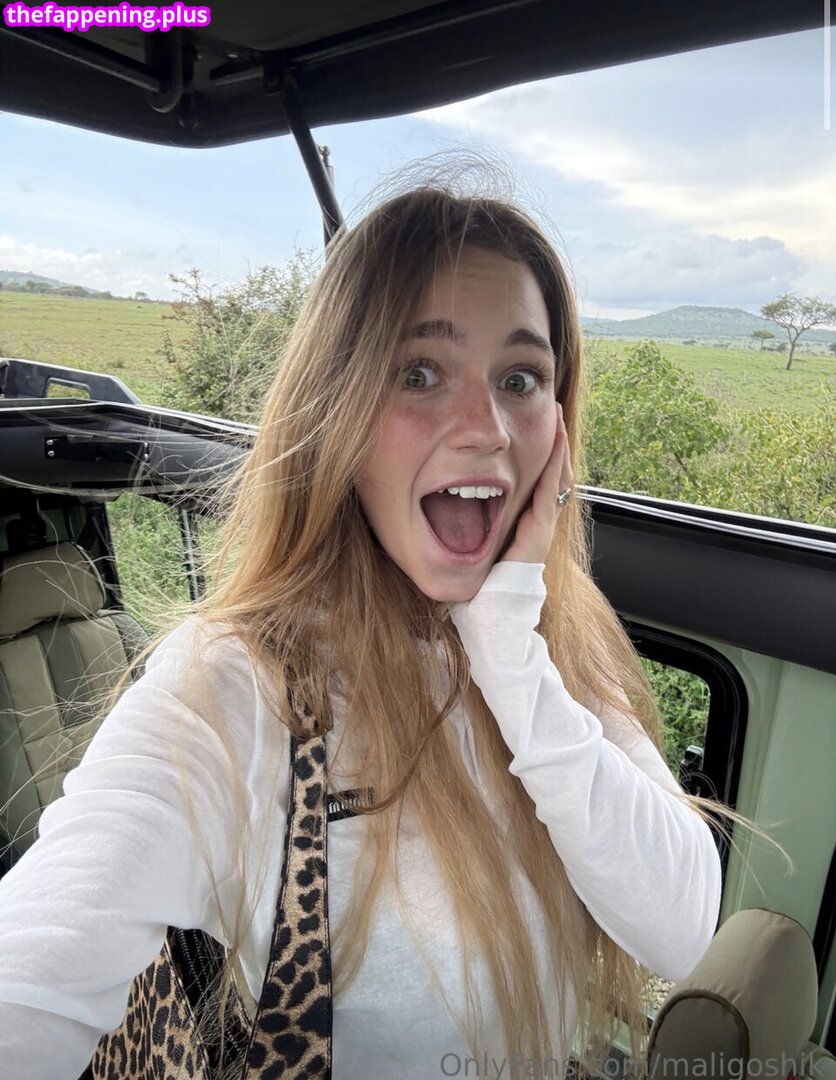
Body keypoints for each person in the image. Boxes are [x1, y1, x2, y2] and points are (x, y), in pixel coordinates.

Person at [0, 185, 724, 1079]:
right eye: (419, 372)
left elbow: (682, 930)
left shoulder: (556, 633)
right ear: (335, 411)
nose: (487, 430)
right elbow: (30, 980)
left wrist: (508, 648)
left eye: (520, 379)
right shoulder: (239, 682)